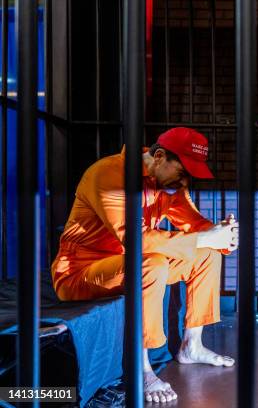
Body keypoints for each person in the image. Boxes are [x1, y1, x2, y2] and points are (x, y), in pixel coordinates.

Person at [51, 127, 238, 403]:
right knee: (152, 262)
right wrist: (204, 237)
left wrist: (223, 236)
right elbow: (136, 240)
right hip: (80, 274)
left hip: (131, 266)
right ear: (159, 156)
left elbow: (197, 227)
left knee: (207, 253)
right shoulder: (108, 174)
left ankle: (192, 346)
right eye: (183, 172)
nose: (185, 182)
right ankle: (142, 369)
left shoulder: (165, 183)